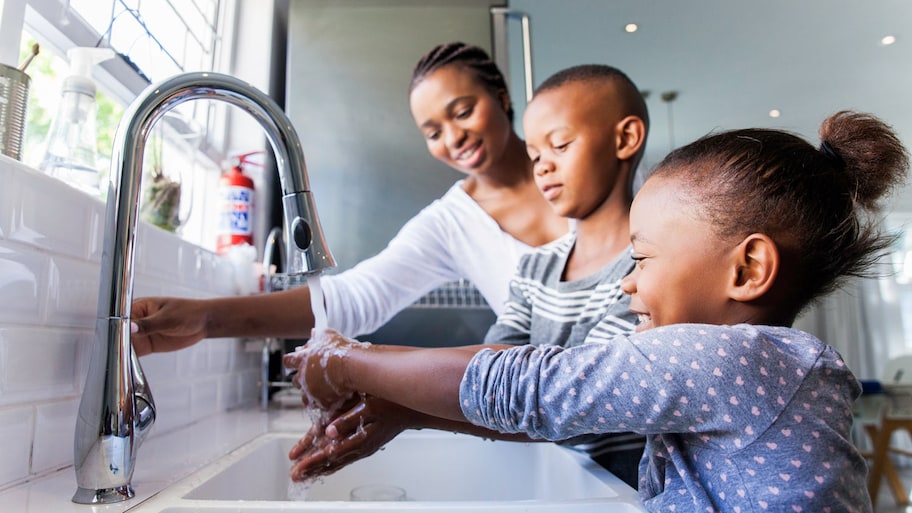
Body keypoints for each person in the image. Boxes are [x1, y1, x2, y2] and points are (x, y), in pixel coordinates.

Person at [284, 110, 910, 512]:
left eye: (643, 260)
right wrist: (405, 408)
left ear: (746, 270)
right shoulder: (751, 366)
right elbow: (559, 406)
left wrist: (346, 359)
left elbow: (534, 386)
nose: (626, 285)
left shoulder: (730, 358)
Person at [290, 64, 649, 488]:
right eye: (535, 155)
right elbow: (497, 370)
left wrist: (352, 363)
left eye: (561, 145)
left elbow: (568, 397)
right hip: (570, 483)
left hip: (632, 496)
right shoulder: (536, 269)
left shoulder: (649, 270)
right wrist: (402, 408)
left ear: (625, 138)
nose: (543, 167)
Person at [129, 41, 567, 352]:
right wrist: (207, 318)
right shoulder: (451, 223)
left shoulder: (574, 160)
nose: (453, 138)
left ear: (502, 97)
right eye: (432, 132)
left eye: (464, 112)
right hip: (576, 431)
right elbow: (355, 298)